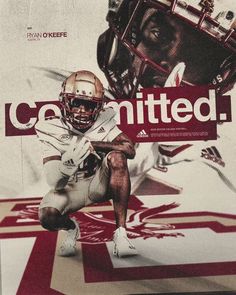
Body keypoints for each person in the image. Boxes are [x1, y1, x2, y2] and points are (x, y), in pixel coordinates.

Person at [35, 70, 138, 258]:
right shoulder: (50, 129)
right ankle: (72, 228)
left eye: (89, 105)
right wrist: (67, 166)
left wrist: (93, 144)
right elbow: (54, 183)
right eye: (76, 103)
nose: (81, 111)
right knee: (47, 216)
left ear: (98, 108)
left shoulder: (103, 121)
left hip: (100, 183)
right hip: (71, 187)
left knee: (118, 157)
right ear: (65, 102)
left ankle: (121, 233)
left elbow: (129, 149)